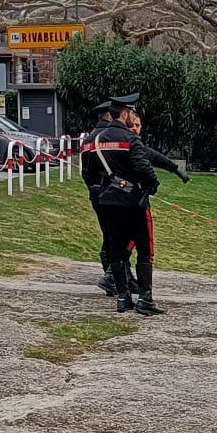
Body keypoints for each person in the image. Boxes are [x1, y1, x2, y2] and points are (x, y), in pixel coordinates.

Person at [81, 94, 179, 315]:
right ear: (124, 114)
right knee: (144, 249)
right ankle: (146, 298)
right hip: (132, 200)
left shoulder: (97, 140)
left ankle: (123, 298)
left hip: (107, 200)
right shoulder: (130, 139)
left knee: (116, 249)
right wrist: (152, 184)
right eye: (131, 113)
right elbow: (144, 167)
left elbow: (90, 172)